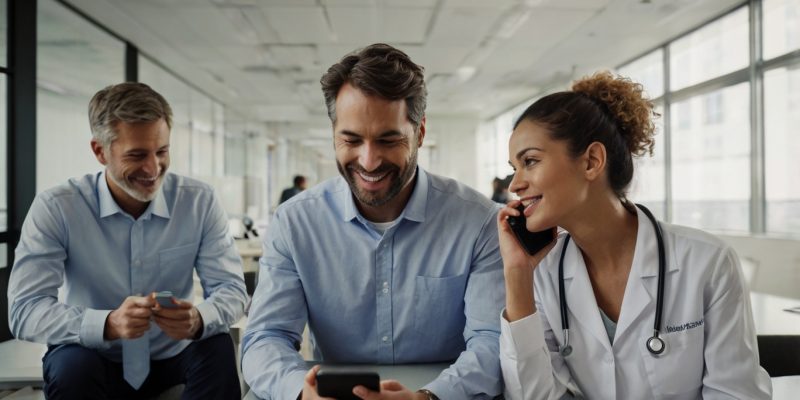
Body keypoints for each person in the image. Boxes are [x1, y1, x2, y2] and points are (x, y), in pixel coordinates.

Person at [242, 43, 505, 400]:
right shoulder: (295, 222)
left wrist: (428, 397)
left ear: (420, 133)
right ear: (334, 134)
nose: (368, 161)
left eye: (388, 140)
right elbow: (265, 337)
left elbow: (492, 343)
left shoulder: (478, 221)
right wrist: (300, 393)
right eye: (351, 140)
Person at [496, 71, 772, 399]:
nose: (514, 185)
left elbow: (736, 394)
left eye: (530, 161)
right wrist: (517, 275)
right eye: (515, 168)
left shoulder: (706, 262)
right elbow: (535, 396)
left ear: (592, 162)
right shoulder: (541, 273)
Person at [7, 82, 248, 399]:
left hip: (174, 354)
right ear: (100, 151)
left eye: (162, 151)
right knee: (70, 365)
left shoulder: (198, 201)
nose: (152, 168)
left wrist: (198, 318)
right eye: (136, 155)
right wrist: (106, 323)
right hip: (94, 356)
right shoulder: (58, 207)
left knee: (216, 345)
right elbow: (25, 310)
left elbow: (233, 291)